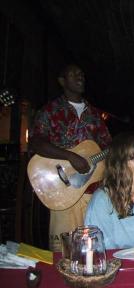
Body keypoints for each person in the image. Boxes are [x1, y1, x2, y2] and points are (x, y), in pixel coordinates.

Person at [30, 64, 112, 251]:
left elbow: (108, 146)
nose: (80, 76)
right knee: (65, 252)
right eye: (74, 74)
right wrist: (70, 156)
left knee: (95, 248)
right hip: (62, 189)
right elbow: (36, 143)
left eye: (82, 73)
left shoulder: (94, 114)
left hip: (94, 191)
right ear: (62, 81)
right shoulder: (50, 111)